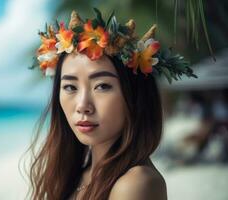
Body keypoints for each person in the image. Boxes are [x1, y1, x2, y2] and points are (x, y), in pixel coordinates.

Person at [24, 8, 195, 200]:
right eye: (70, 87)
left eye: (102, 86)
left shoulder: (137, 183)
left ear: (134, 95)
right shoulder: (76, 175)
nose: (82, 105)